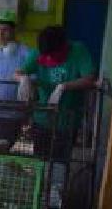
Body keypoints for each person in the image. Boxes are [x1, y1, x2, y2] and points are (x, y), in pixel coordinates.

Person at [16, 25, 96, 159]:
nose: (50, 58)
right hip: (42, 119)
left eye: (53, 55)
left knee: (60, 163)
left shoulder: (78, 51)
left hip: (67, 120)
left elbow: (90, 78)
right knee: (40, 159)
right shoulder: (38, 53)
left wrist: (64, 86)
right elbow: (18, 72)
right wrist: (23, 79)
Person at [0, 11, 33, 147]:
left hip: (13, 113)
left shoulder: (26, 53)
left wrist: (27, 113)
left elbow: (32, 82)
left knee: (3, 147)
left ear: (13, 31)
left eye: (4, 30)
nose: (0, 33)